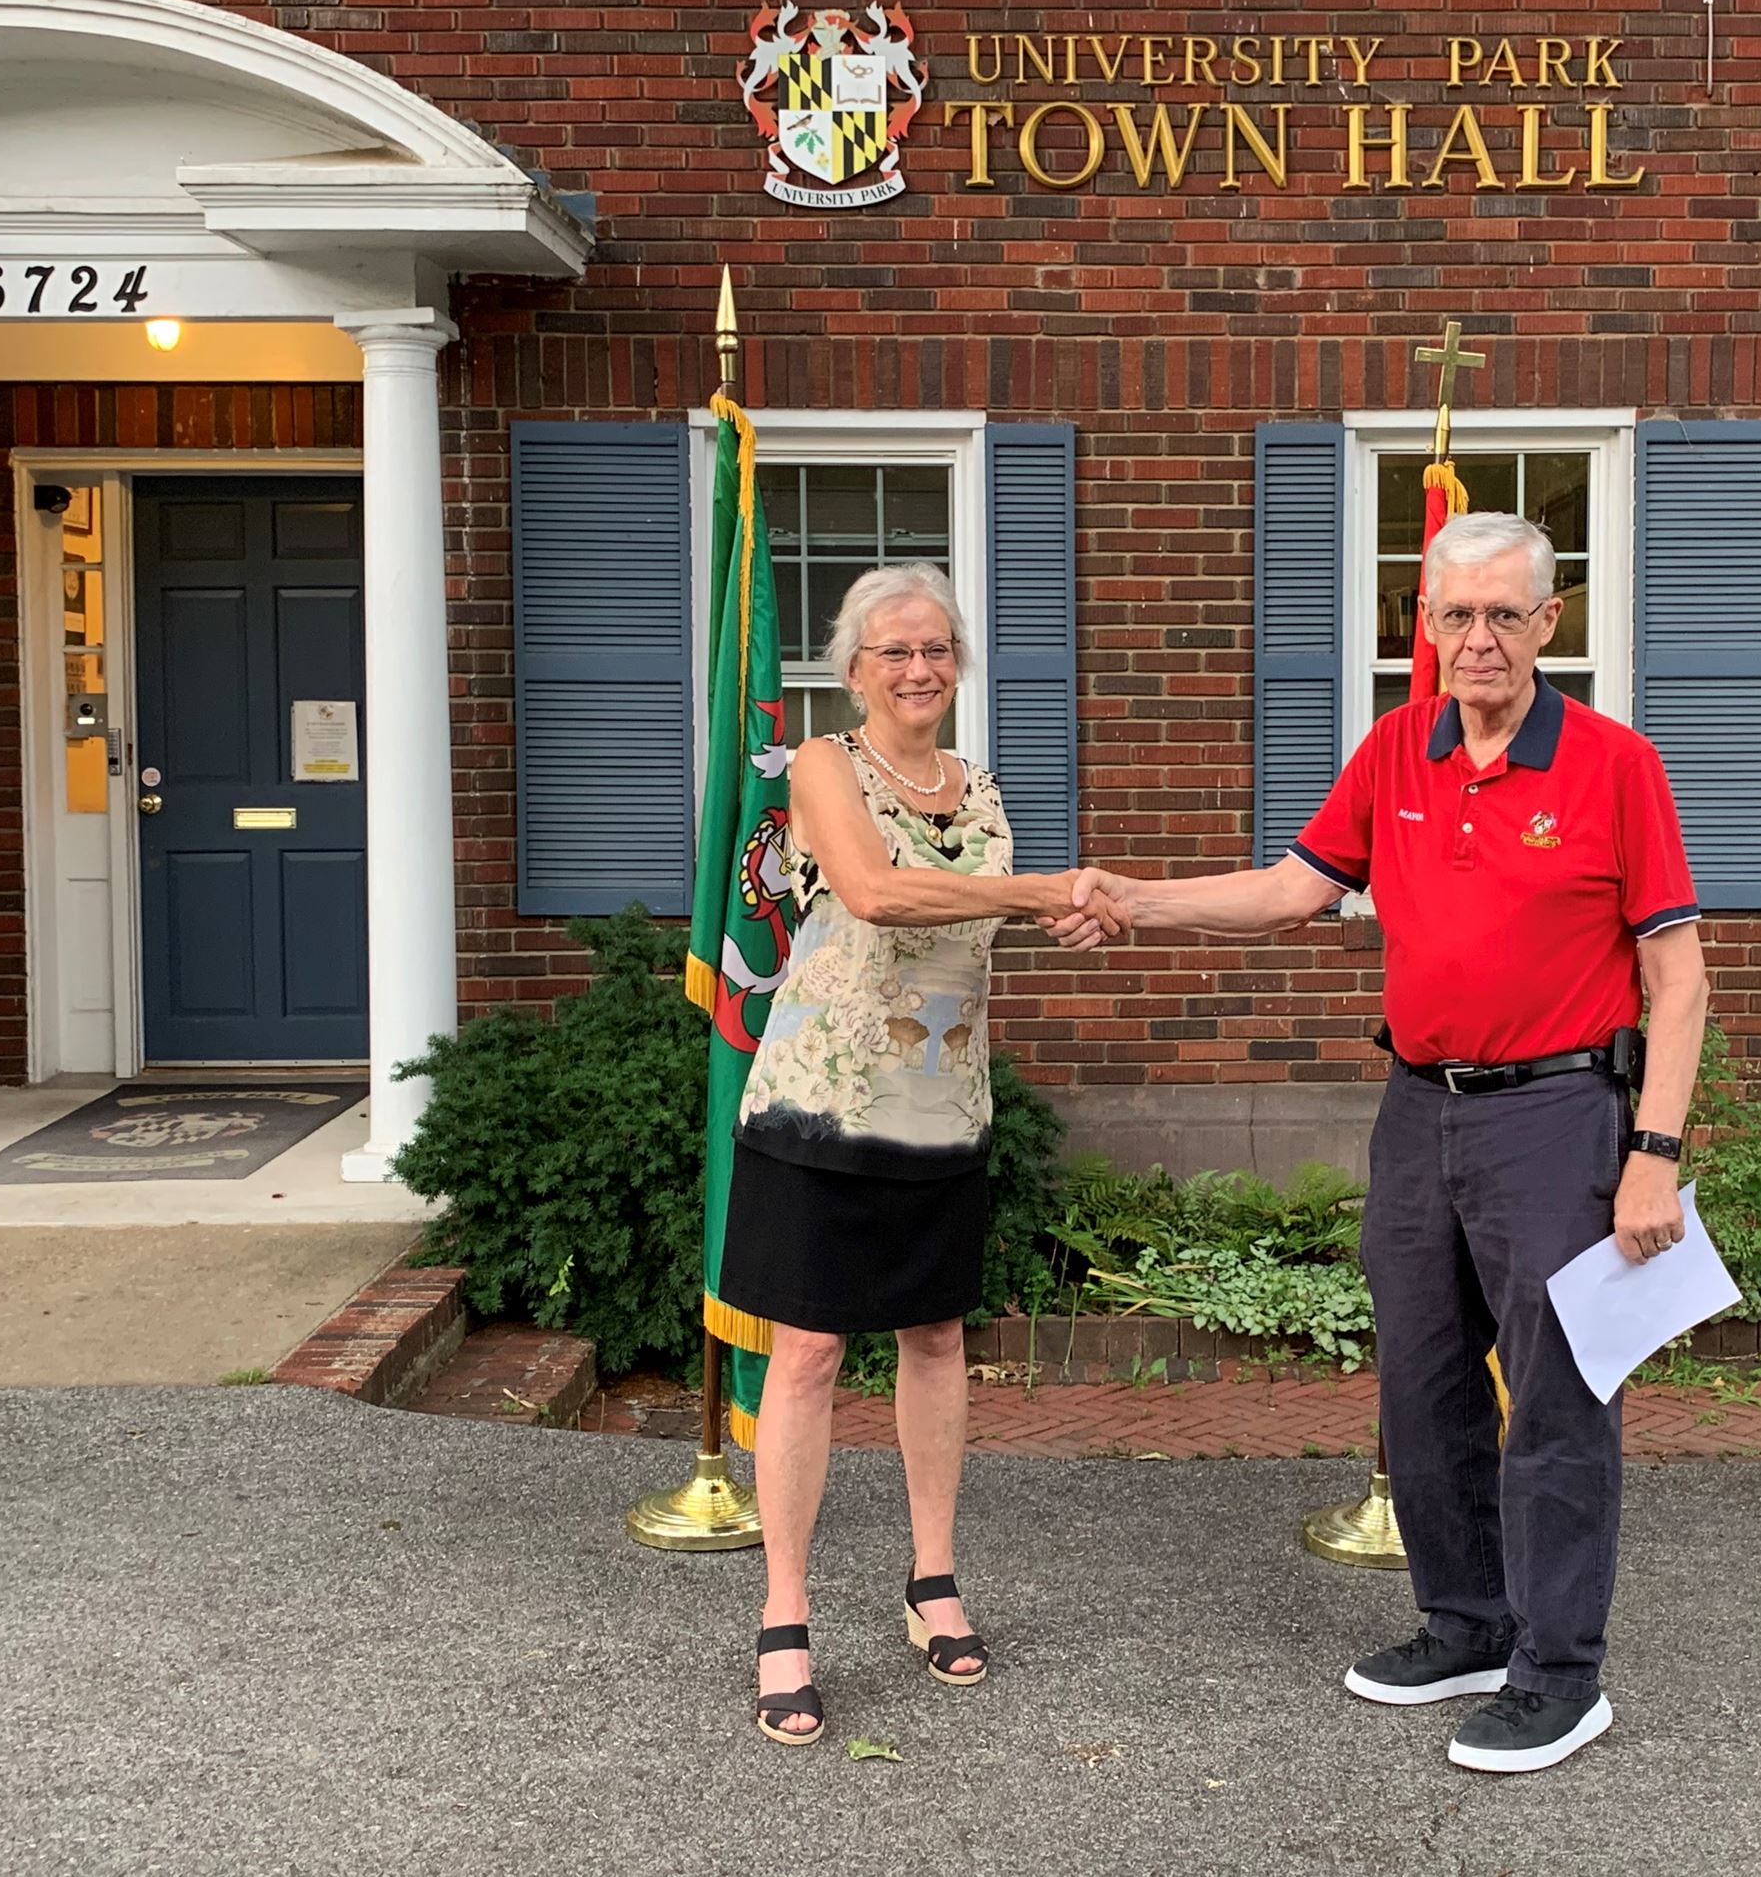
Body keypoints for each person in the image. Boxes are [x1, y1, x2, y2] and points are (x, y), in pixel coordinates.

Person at [1077, 512, 1709, 1775]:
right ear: (1422, 627)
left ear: (1547, 624)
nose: (1479, 639)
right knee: (1419, 1389)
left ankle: (1558, 1674)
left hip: (1556, 1114)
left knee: (1555, 1401)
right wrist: (1138, 900)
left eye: (1503, 616)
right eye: (1454, 616)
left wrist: (1653, 1148)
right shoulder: (1393, 753)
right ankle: (1467, 1624)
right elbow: (1289, 890)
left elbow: (1676, 978)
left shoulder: (1612, 766)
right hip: (1418, 1112)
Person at [725, 561, 1118, 1746]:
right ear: (853, 669)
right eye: (893, 650)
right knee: (805, 1354)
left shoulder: (978, 784)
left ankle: (930, 1577)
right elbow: (875, 891)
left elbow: (978, 913)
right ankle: (784, 1612)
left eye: (936, 648)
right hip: (821, 1108)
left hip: (944, 1109)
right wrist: (1047, 884)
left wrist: (1075, 915)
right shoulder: (818, 768)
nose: (918, 668)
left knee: (937, 1338)